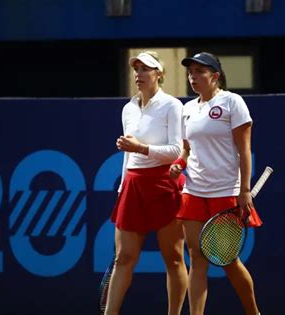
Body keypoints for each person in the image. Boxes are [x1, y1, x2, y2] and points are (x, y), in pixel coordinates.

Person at [170, 52, 263, 315]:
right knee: (196, 259)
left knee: (227, 261)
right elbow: (187, 150)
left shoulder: (233, 102)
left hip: (225, 192)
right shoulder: (187, 109)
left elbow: (244, 150)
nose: (193, 77)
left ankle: (253, 313)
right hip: (194, 191)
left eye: (200, 71)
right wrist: (179, 165)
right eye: (191, 72)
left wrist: (244, 190)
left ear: (215, 75)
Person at [105, 51, 188, 315]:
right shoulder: (128, 108)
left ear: (159, 74)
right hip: (133, 186)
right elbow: (128, 155)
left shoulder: (173, 106)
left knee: (174, 259)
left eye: (145, 69)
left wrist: (141, 148)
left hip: (164, 184)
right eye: (136, 69)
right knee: (124, 258)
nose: (139, 74)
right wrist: (122, 190)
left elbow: (176, 150)